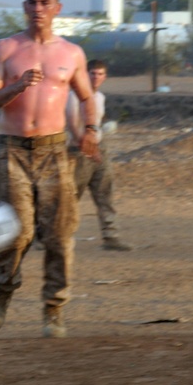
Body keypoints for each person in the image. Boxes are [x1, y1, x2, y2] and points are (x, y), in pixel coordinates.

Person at [0, 0, 100, 339]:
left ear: (57, 8)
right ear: (24, 8)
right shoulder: (5, 49)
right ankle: (3, 289)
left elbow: (87, 97)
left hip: (54, 150)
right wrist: (16, 87)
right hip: (12, 149)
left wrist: (91, 130)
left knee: (60, 234)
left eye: (45, 3)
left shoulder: (71, 54)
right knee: (17, 233)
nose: (37, 9)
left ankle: (54, 309)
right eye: (31, 3)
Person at [65, 59, 132, 252]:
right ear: (85, 74)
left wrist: (96, 146)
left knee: (105, 193)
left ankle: (111, 236)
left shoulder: (100, 97)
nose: (96, 77)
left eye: (100, 74)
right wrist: (85, 147)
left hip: (98, 148)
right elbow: (71, 123)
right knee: (69, 197)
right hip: (77, 152)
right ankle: (47, 236)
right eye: (92, 73)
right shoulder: (74, 96)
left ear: (105, 77)